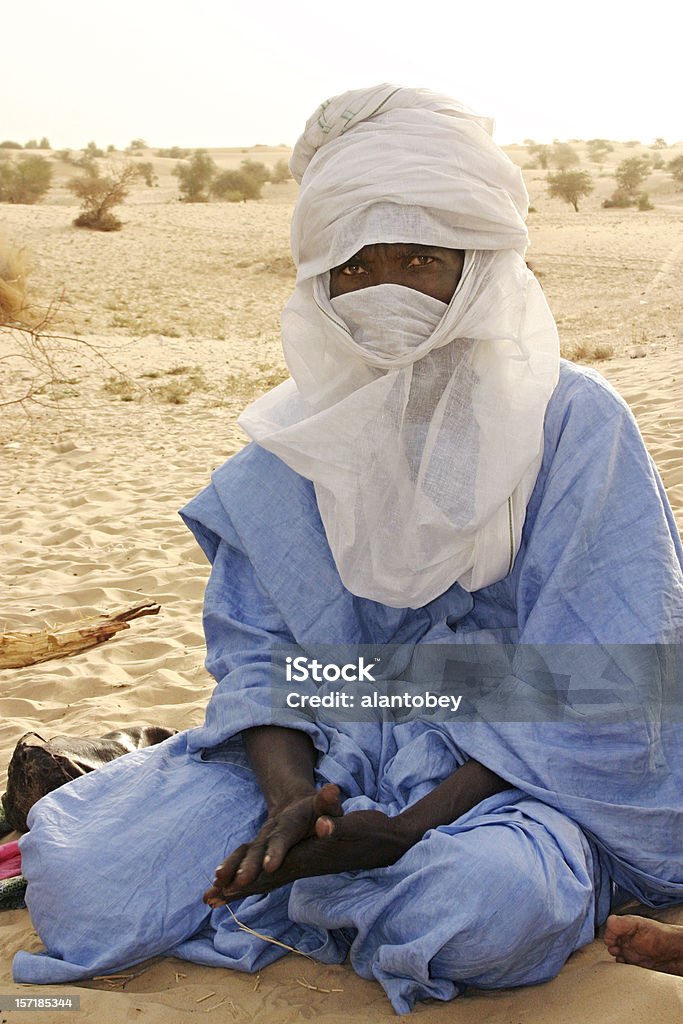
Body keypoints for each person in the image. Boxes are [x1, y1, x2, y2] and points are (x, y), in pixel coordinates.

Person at [13, 85, 683, 1014]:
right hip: (327, 748)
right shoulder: (289, 451)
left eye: (419, 260)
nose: (384, 292)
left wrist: (408, 827)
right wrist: (293, 798)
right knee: (88, 878)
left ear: (478, 267)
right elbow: (259, 661)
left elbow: (611, 676)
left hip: (517, 773)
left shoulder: (573, 424)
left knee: (475, 908)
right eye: (354, 267)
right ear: (318, 281)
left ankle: (399, 883)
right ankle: (324, 877)